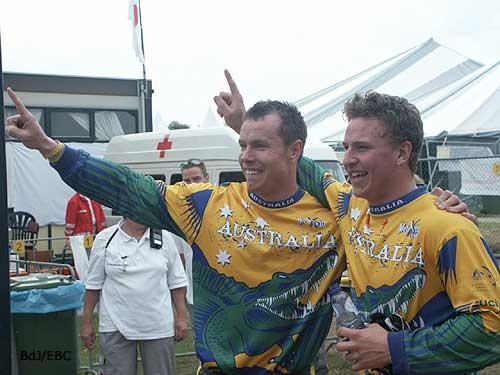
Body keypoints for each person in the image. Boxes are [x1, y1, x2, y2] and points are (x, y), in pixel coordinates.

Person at [6, 86, 469, 374]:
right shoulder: (204, 204)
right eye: (242, 144)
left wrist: (437, 204)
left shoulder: (339, 212)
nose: (246, 156)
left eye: (259, 145)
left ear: (294, 151)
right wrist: (51, 147)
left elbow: (391, 202)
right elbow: (127, 188)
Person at [214, 77, 499, 373]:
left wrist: (394, 347)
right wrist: (243, 123)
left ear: (402, 153)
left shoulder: (449, 227)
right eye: (347, 147)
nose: (348, 159)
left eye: (361, 148)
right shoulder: (350, 205)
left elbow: (493, 326)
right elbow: (296, 162)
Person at [80, 217, 188, 375]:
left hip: (158, 326)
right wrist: (87, 323)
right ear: (125, 209)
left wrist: (181, 317)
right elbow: (93, 286)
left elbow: (177, 282)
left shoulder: (165, 237)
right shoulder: (105, 238)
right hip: (114, 324)